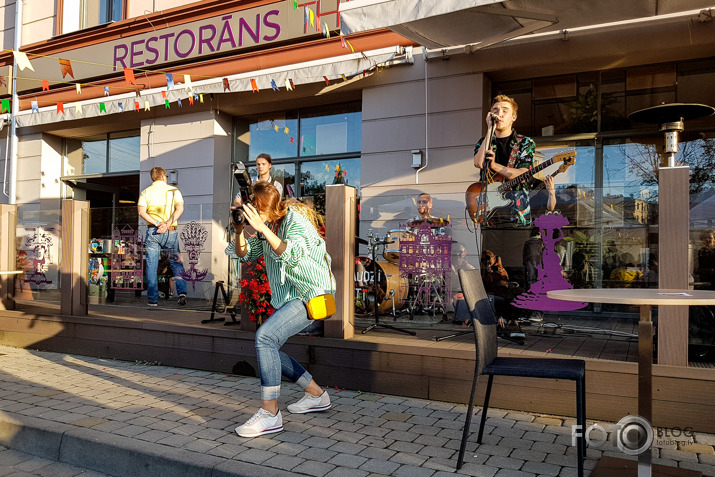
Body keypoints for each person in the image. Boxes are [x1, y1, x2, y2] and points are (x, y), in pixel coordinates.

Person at [225, 181, 334, 438]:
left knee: (265, 338)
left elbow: (292, 254)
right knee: (271, 347)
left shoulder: (295, 221)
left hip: (312, 294)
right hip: (290, 297)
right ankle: (317, 395)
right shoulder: (268, 227)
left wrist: (262, 228)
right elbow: (243, 254)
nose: (251, 212)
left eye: (254, 208)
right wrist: (240, 230)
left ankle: (270, 413)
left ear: (267, 207)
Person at [473, 95, 556, 227]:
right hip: (490, 215)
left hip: (517, 216)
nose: (499, 113)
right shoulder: (484, 142)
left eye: (505, 110)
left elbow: (523, 174)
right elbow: (478, 163)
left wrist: (494, 166)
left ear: (513, 117)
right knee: (489, 248)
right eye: (495, 110)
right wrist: (490, 129)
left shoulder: (524, 143)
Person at [137, 166, 188, 307]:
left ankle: (153, 300)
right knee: (176, 262)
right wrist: (168, 223)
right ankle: (182, 293)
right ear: (164, 176)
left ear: (153, 177)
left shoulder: (146, 192)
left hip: (153, 232)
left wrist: (158, 223)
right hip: (170, 230)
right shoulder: (174, 190)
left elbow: (141, 212)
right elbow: (180, 208)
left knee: (152, 266)